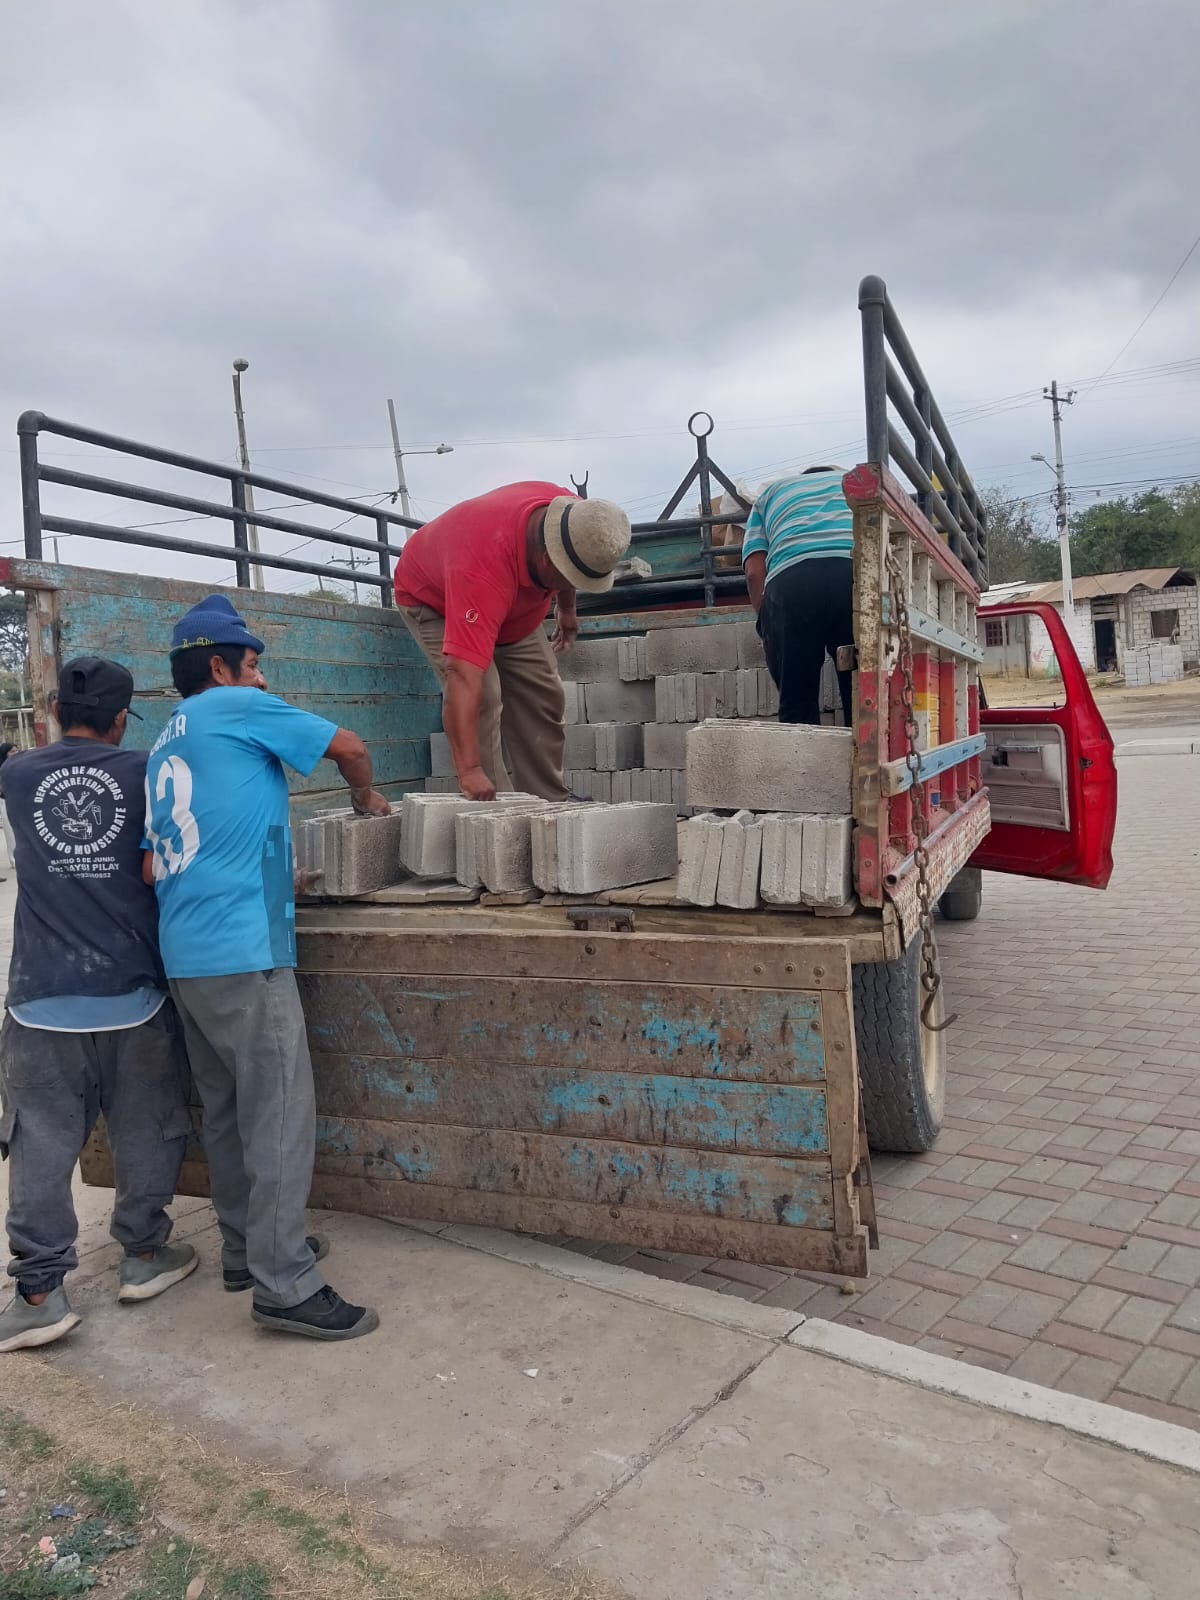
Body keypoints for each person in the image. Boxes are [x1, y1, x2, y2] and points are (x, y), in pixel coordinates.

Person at [143, 595, 390, 1342]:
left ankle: (245, 1251)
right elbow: (350, 747)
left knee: (226, 1112)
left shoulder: (166, 738)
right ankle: (285, 1283)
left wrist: (272, 873)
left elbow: (164, 860)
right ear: (220, 669)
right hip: (243, 953)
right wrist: (365, 798)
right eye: (252, 666)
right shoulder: (237, 708)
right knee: (279, 1113)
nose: (261, 679)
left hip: (187, 955)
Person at [0, 657, 196, 1353]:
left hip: (40, 998)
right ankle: (143, 1255)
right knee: (146, 1128)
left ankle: (39, 1294)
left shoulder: (17, 775)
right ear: (120, 718)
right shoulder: (146, 770)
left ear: (55, 711)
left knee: (40, 1142)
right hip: (132, 992)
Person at [394, 484, 631, 800]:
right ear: (547, 560)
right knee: (485, 694)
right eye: (569, 580)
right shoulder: (482, 570)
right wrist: (469, 770)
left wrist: (567, 609)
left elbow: (571, 562)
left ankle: (547, 800)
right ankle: (497, 809)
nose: (570, 586)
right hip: (434, 600)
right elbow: (463, 677)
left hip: (511, 602)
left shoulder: (578, 517)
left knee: (543, 691)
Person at [742, 466, 855, 726]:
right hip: (853, 574)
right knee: (862, 697)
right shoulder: (853, 484)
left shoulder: (770, 495)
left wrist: (768, 625)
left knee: (797, 704)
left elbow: (754, 573)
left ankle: (801, 749)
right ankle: (864, 749)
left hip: (792, 583)